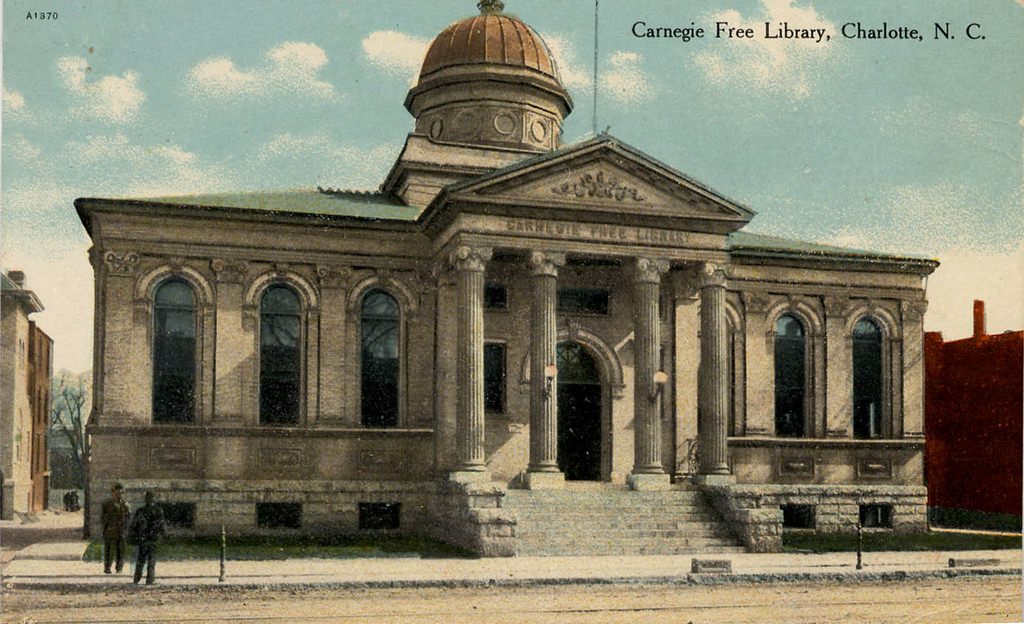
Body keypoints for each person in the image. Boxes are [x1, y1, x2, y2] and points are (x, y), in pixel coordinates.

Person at [129, 491, 166, 585]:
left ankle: (136, 578)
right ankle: (150, 579)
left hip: (143, 538)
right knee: (151, 560)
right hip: (153, 538)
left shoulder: (140, 510)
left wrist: (134, 535)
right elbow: (161, 524)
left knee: (141, 559)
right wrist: (163, 534)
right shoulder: (158, 510)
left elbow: (134, 524)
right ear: (153, 499)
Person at [100, 483, 130, 574]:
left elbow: (128, 517)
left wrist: (125, 527)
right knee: (109, 550)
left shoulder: (125, 504)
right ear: (113, 493)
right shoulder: (107, 504)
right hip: (110, 530)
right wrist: (106, 527)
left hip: (121, 530)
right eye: (117, 493)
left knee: (121, 550)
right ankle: (107, 567)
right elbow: (103, 518)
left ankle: (119, 567)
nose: (119, 495)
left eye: (121, 493)